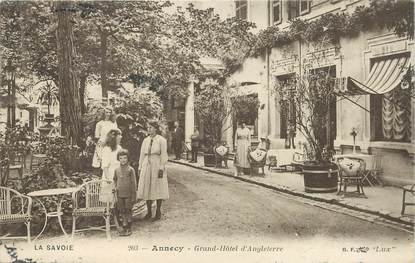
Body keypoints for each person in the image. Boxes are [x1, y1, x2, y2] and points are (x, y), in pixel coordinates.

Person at [137, 121, 169, 221]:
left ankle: (158, 211)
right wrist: (140, 167)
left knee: (158, 186)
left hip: (157, 163)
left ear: (156, 128)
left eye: (151, 127)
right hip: (147, 163)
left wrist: (161, 167)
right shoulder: (145, 140)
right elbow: (142, 154)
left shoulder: (161, 140)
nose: (149, 129)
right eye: (148, 127)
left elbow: (164, 155)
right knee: (147, 186)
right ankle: (149, 212)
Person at [113, 149, 137, 236]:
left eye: (124, 158)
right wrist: (115, 188)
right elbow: (115, 180)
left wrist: (134, 195)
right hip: (120, 194)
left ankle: (129, 227)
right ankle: (124, 225)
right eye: (121, 158)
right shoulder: (116, 170)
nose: (123, 160)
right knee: (121, 210)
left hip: (128, 194)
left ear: (127, 158)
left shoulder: (131, 170)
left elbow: (134, 184)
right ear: (118, 159)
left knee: (128, 209)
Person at [99, 129, 122, 205]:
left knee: (118, 197)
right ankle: (109, 215)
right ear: (113, 138)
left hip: (119, 173)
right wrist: (108, 178)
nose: (121, 137)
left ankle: (117, 215)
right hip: (110, 174)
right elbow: (105, 166)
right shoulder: (107, 149)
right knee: (109, 197)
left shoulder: (119, 148)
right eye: (119, 136)